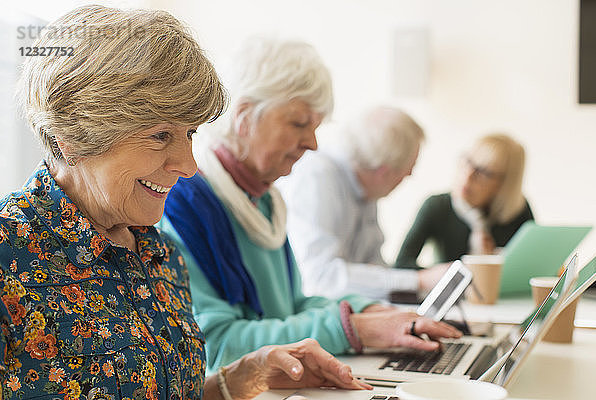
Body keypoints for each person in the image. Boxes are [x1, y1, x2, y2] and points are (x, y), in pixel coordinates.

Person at [0, 6, 373, 399]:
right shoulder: (9, 257)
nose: (189, 165)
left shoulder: (162, 253)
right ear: (73, 137)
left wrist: (245, 376)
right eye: (160, 135)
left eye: (190, 133)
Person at [161, 37, 462, 375]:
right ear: (245, 117)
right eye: (299, 124)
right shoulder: (181, 206)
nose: (313, 143)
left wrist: (367, 312)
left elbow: (292, 307)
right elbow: (213, 347)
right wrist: (352, 329)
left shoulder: (262, 202)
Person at [277, 106, 448, 301]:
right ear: (383, 172)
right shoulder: (315, 178)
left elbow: (373, 265)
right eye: (407, 171)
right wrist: (417, 280)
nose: (409, 176)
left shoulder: (366, 188)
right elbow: (319, 279)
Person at [395, 133, 534, 268]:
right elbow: (402, 264)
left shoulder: (519, 211)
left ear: (504, 184)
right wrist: (448, 273)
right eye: (468, 162)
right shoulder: (437, 206)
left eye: (483, 172)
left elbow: (532, 266)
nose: (467, 176)